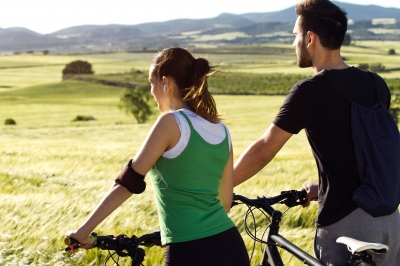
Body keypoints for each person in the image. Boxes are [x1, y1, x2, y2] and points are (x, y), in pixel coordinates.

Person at [233, 0, 400, 265]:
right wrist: (323, 187)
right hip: (391, 222)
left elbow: (263, 150)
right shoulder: (376, 84)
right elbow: (365, 155)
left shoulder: (309, 91)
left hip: (349, 227)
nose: (293, 43)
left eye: (295, 36)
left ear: (310, 38)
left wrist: (222, 185)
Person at [66, 47, 249, 266]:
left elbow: (128, 183)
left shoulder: (171, 123)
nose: (151, 90)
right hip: (230, 245)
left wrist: (83, 232)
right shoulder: (221, 131)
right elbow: (224, 202)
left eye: (151, 83)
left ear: (166, 83)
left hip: (189, 251)